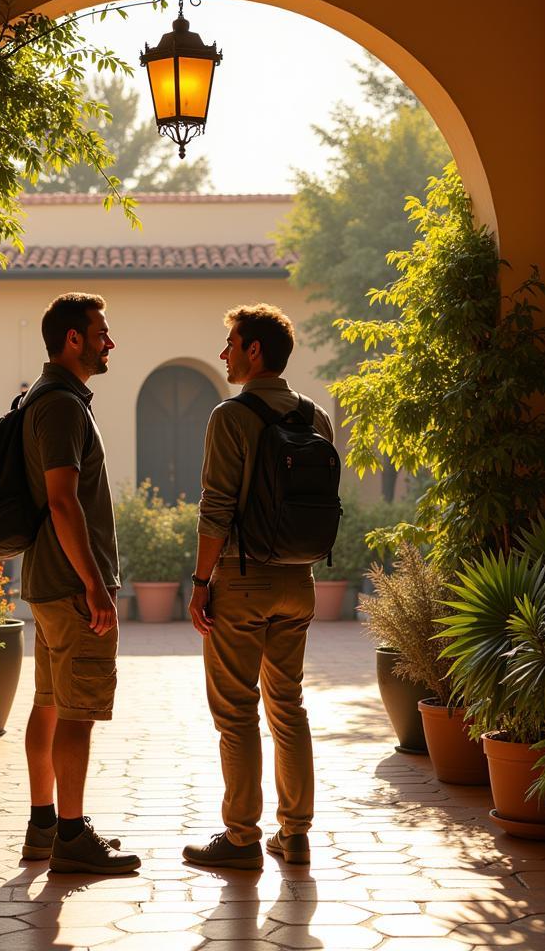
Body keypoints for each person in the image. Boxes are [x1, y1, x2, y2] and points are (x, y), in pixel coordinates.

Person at [183, 304, 333, 870]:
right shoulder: (316, 418)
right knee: (288, 706)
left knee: (237, 712)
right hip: (300, 581)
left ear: (254, 352)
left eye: (230, 343)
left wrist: (201, 583)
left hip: (243, 582)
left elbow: (216, 509)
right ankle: (295, 836)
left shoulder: (230, 417)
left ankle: (242, 837)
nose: (223, 353)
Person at [18, 292, 140, 875]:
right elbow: (64, 502)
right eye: (101, 333)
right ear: (74, 339)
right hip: (69, 585)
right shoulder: (63, 405)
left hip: (48, 581)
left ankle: (45, 825)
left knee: (49, 704)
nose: (108, 342)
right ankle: (69, 835)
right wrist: (94, 585)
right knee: (77, 712)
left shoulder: (46, 397)